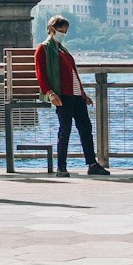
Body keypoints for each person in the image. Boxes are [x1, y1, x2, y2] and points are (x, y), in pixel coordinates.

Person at [34, 15, 109, 177]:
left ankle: (92, 163)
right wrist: (50, 92)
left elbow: (72, 73)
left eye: (65, 31)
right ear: (51, 29)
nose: (63, 34)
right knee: (65, 129)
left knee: (85, 128)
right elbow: (41, 74)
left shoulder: (62, 49)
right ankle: (61, 167)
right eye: (61, 30)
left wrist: (83, 94)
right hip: (62, 95)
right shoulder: (44, 48)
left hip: (76, 95)